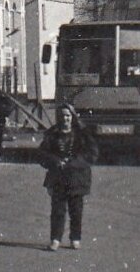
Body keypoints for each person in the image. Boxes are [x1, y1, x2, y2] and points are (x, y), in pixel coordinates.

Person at [36, 103, 98, 251]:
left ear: (73, 117)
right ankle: (55, 239)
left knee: (76, 210)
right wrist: (55, 161)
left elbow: (92, 153)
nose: (65, 119)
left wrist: (73, 163)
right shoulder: (52, 134)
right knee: (57, 210)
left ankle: (75, 238)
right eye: (62, 116)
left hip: (77, 177)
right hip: (58, 177)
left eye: (68, 115)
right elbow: (42, 154)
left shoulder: (82, 134)